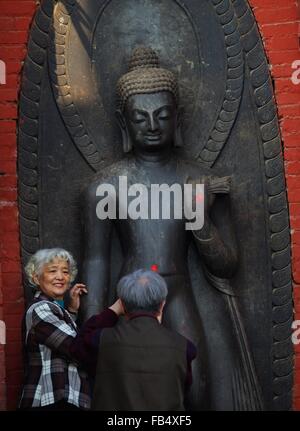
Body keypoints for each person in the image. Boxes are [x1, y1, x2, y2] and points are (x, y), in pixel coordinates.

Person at [80, 47, 263, 410]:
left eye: (162, 116)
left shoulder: (200, 179)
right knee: (123, 391)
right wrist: (89, 329)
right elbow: (97, 261)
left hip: (178, 293)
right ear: (123, 123)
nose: (151, 125)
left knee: (196, 387)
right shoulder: (107, 186)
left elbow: (227, 267)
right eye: (140, 117)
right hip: (126, 296)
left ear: (177, 118)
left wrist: (199, 214)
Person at [71, 269, 197, 411]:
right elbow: (183, 388)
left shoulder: (103, 340)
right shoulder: (183, 347)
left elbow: (77, 347)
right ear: (162, 304)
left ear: (123, 305)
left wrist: (113, 310)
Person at [19, 248, 91, 411]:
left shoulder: (55, 309)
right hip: (48, 400)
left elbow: (57, 338)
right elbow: (74, 348)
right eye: (52, 271)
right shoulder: (41, 308)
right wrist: (111, 313)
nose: (60, 277)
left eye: (65, 272)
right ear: (36, 277)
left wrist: (71, 311)